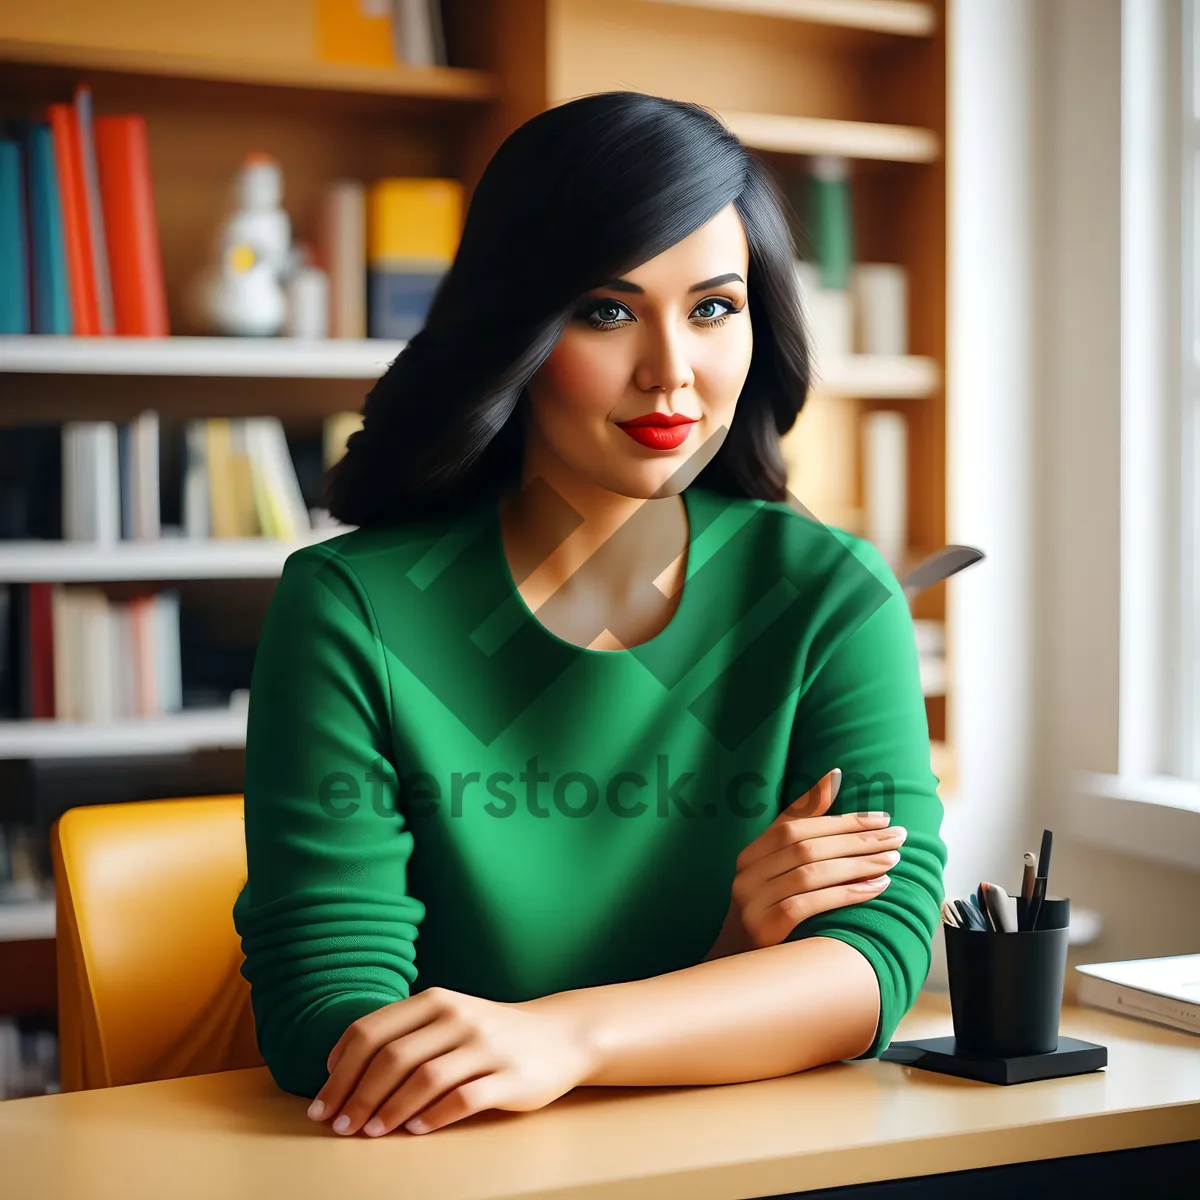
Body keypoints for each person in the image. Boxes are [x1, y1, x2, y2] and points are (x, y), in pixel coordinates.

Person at [232, 90, 947, 1140]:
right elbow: (327, 1023)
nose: (671, 373)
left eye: (713, 308)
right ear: (517, 327)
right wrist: (732, 977)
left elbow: (871, 969)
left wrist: (568, 1039)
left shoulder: (832, 595)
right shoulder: (352, 609)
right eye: (606, 311)